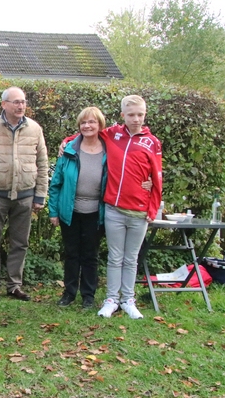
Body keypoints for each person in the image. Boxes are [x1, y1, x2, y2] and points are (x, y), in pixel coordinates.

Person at [62, 95, 162, 319]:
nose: (136, 119)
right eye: (131, 114)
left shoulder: (152, 142)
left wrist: (152, 208)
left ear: (145, 115)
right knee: (115, 257)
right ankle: (111, 299)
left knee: (131, 257)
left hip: (139, 210)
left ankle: (128, 299)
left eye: (140, 115)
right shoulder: (113, 134)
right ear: (122, 115)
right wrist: (67, 140)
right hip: (114, 209)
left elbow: (157, 177)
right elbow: (87, 133)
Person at [0, 87, 49, 303]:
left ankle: (14, 285)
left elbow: (42, 162)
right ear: (4, 104)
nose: (20, 105)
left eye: (23, 101)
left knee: (20, 243)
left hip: (25, 196)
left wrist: (40, 195)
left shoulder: (35, 128)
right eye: (15, 102)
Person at [48, 107, 107, 309]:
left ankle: (88, 296)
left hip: (95, 213)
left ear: (100, 125)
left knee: (90, 255)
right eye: (83, 122)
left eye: (92, 122)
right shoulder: (69, 150)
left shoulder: (109, 151)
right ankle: (69, 293)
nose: (87, 126)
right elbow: (56, 183)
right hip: (70, 212)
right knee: (72, 254)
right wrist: (53, 211)